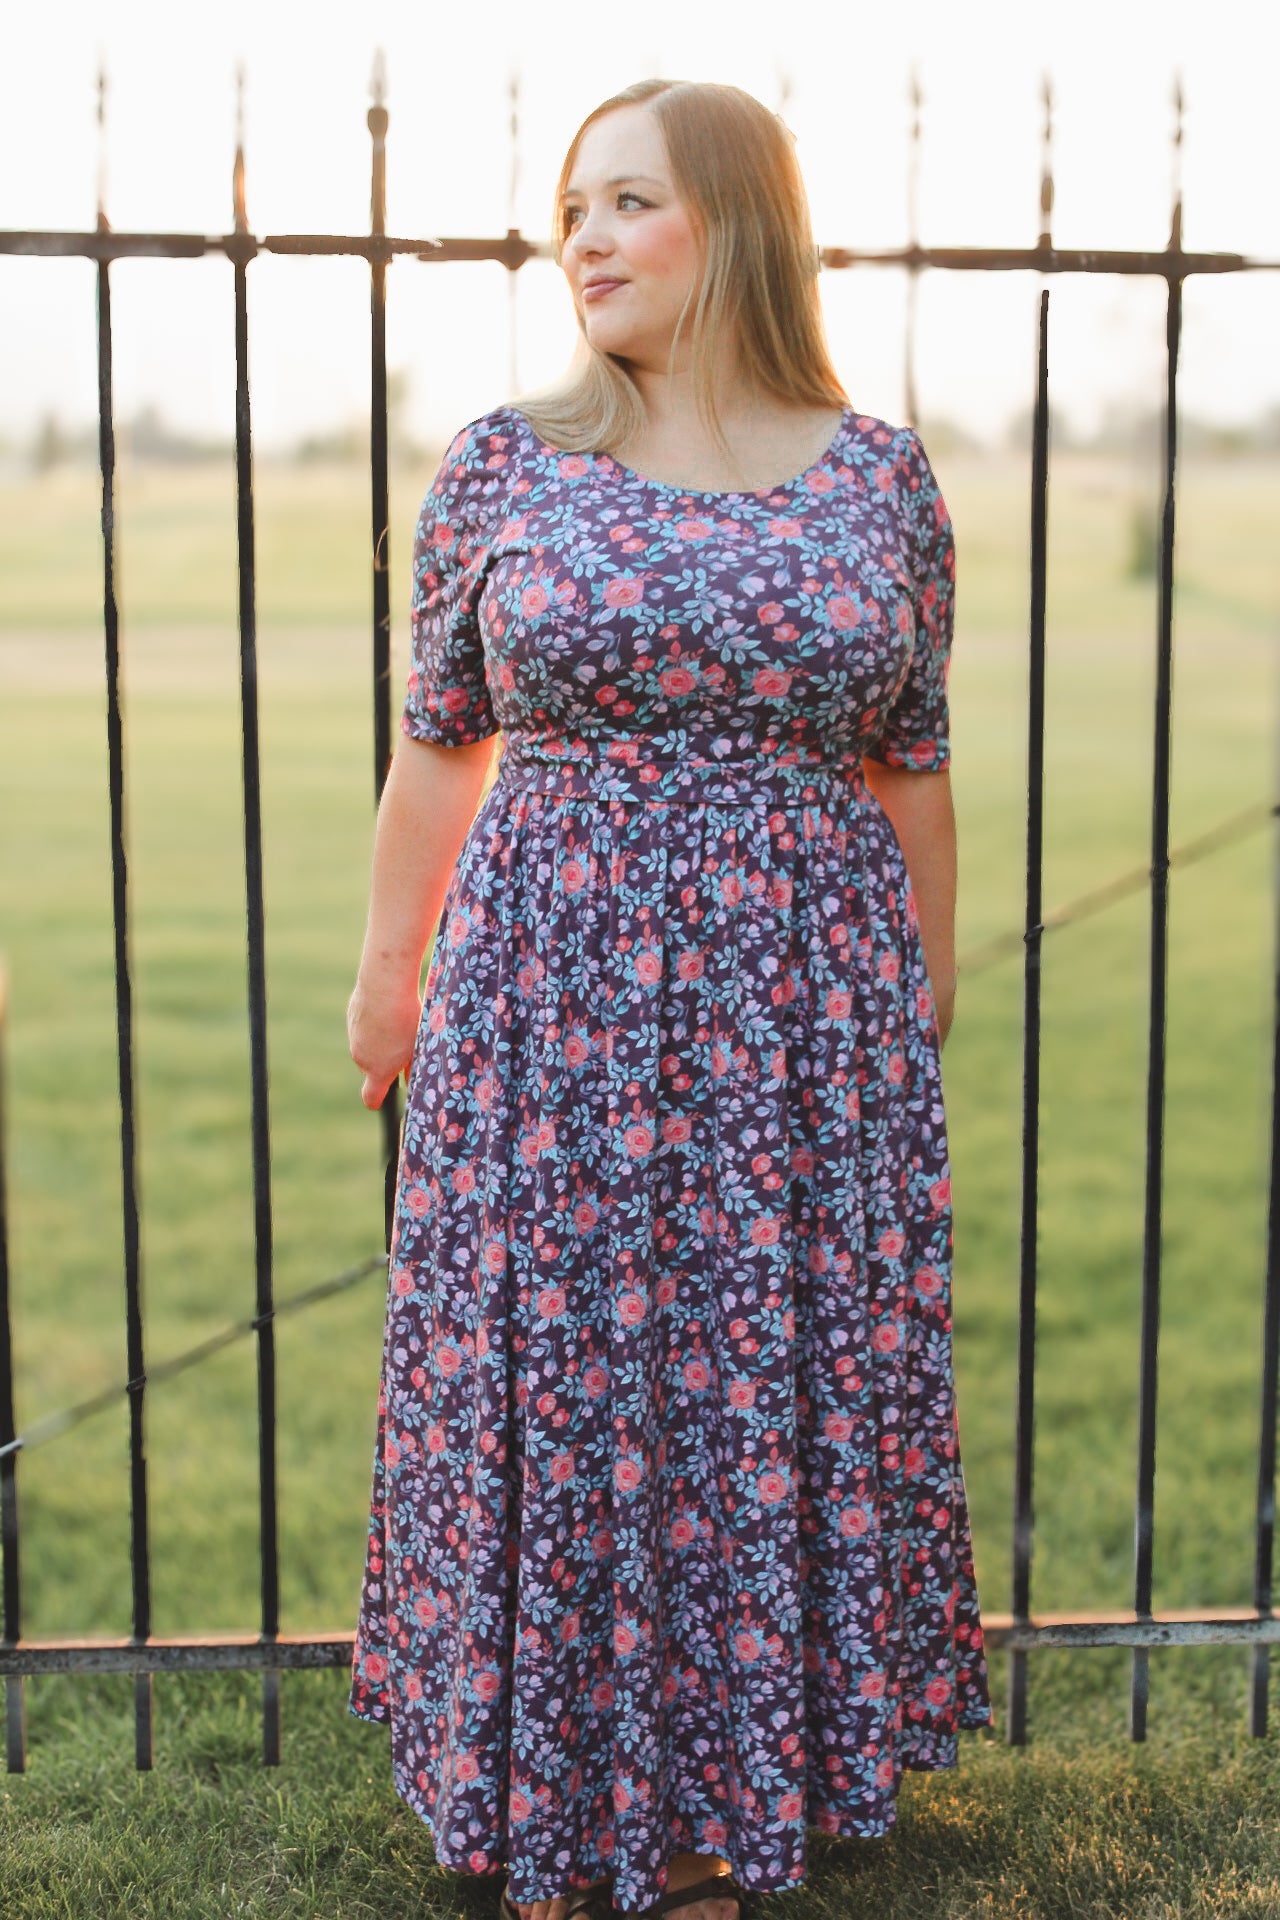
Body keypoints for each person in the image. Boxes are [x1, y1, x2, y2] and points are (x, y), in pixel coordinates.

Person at [346, 75, 992, 1920]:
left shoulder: (880, 480)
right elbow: (439, 745)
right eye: (573, 209)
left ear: (742, 217)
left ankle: (714, 1814)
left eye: (630, 201)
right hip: (551, 1005)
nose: (586, 239)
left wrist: (918, 997)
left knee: (757, 1390)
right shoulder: (504, 464)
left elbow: (914, 759)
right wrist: (388, 981)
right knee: (570, 1385)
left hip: (804, 1026)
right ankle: (557, 1804)